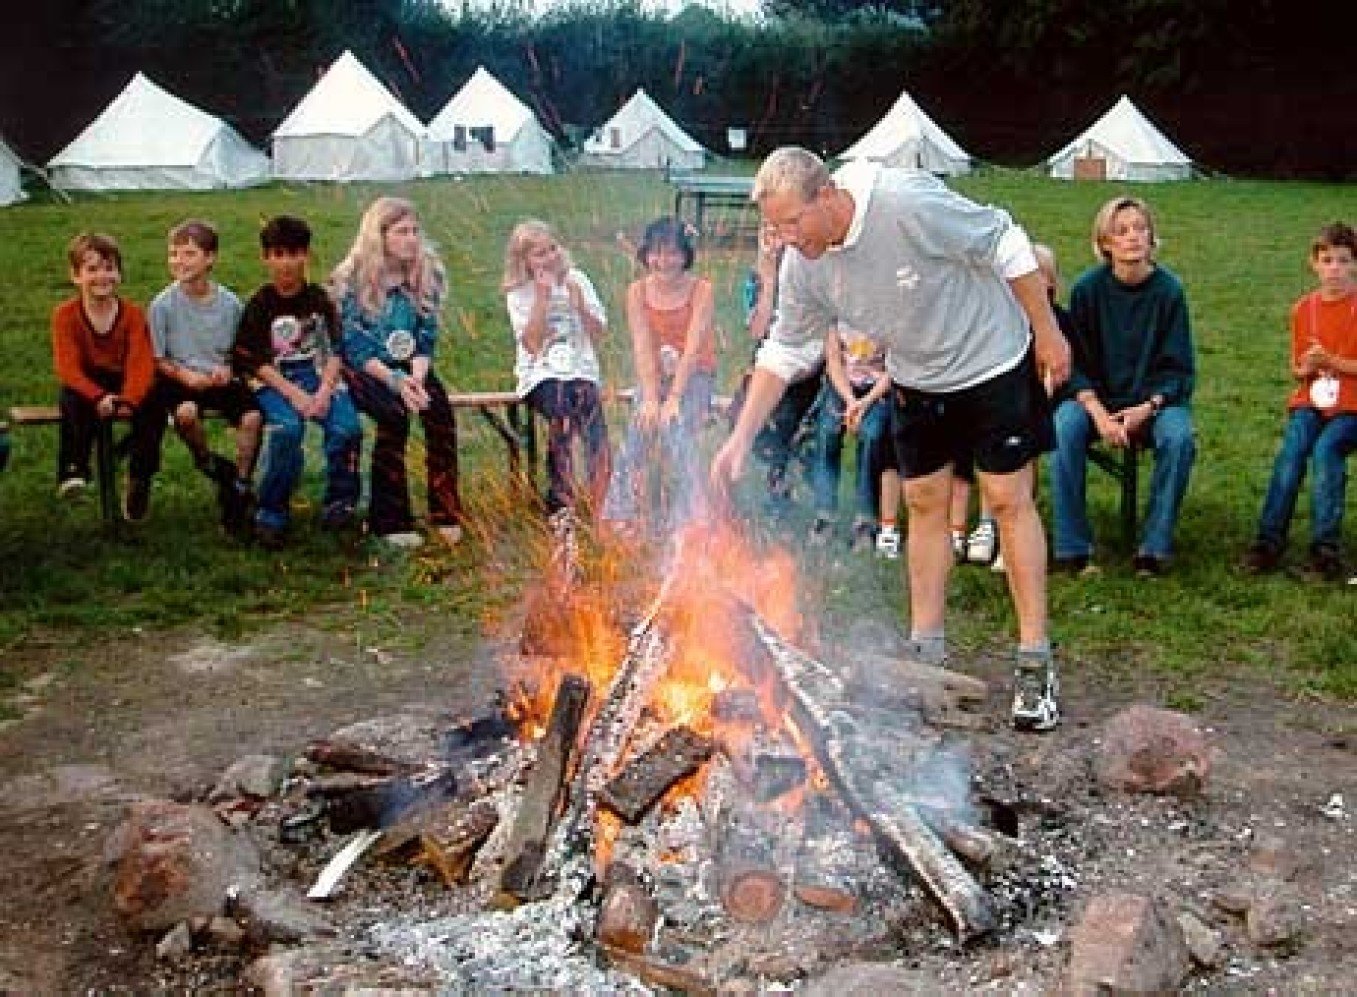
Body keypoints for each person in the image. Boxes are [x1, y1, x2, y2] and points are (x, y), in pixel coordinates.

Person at [711, 147, 1070, 732]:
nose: (785, 239)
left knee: (1007, 501)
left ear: (827, 196)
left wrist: (1047, 332)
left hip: (991, 359)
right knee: (923, 505)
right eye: (773, 228)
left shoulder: (904, 202)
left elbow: (1004, 240)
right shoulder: (806, 263)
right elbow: (786, 349)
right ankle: (925, 654)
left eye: (792, 223)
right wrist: (739, 438)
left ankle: (1036, 661)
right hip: (915, 376)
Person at [1049, 197, 1196, 577]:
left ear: (1152, 236)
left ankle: (1154, 548)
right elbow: (1075, 364)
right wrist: (1098, 414)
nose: (1133, 237)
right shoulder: (1087, 291)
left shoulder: (1169, 292)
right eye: (1122, 230)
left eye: (1140, 228)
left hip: (1152, 401)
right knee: (1063, 427)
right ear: (1106, 242)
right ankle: (1072, 547)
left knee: (1180, 437)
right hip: (1093, 398)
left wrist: (1147, 407)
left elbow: (1179, 369)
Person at [332, 196, 463, 550]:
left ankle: (445, 510)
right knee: (393, 415)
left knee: (439, 412)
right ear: (380, 236)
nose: (411, 239)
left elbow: (426, 337)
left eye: (415, 232)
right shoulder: (351, 278)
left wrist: (417, 378)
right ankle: (389, 518)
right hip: (363, 368)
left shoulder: (427, 272)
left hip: (410, 364)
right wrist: (394, 381)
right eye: (401, 232)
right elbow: (356, 348)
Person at [232, 215, 362, 549]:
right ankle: (271, 512)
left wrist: (323, 392)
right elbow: (254, 361)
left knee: (346, 428)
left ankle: (340, 502)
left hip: (319, 376)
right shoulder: (260, 305)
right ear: (266, 258)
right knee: (286, 430)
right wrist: (293, 395)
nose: (286, 263)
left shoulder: (320, 300)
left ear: (306, 255)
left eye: (294, 254)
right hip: (277, 381)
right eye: (277, 254)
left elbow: (336, 351)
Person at [1242, 221, 1357, 581]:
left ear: (1355, 264)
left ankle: (1325, 548)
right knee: (1291, 452)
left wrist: (1332, 362)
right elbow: (1297, 368)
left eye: (1343, 261)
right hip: (1311, 399)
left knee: (1326, 451)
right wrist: (1307, 367)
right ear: (1314, 264)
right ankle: (1268, 541)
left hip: (1351, 406)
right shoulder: (1303, 309)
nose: (1334, 270)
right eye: (1327, 261)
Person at [603, 216, 716, 532]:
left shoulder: (701, 290)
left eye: (671, 253)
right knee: (640, 426)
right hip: (653, 376)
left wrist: (675, 398)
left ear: (685, 256)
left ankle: (691, 517)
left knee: (676, 428)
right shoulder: (637, 292)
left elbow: (693, 348)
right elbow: (641, 345)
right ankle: (618, 511)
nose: (662, 261)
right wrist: (652, 399)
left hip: (695, 375)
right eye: (655, 253)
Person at [148, 219, 261, 535]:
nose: (178, 262)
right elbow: (158, 359)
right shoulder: (162, 306)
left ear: (210, 258)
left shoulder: (229, 304)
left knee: (252, 417)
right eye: (173, 254)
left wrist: (229, 368)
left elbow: (239, 353)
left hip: (217, 378)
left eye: (188, 254)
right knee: (185, 415)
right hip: (179, 378)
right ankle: (207, 461)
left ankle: (240, 484)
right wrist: (184, 375)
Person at [503, 219, 610, 520]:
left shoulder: (577, 279)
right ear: (523, 260)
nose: (549, 258)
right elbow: (533, 344)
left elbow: (599, 333)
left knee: (590, 412)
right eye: (539, 254)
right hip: (541, 374)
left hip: (581, 370)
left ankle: (604, 496)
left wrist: (580, 307)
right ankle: (560, 500)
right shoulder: (518, 292)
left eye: (552, 249)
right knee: (562, 412)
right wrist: (541, 298)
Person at [51, 232, 162, 521]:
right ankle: (74, 468)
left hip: (124, 380)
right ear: (76, 276)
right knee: (71, 398)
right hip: (87, 383)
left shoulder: (133, 315)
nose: (102, 276)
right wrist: (98, 396)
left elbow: (140, 363)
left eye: (109, 268)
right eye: (92, 269)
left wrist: (128, 399)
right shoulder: (65, 315)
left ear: (120, 274)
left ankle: (140, 476)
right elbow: (68, 368)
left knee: (155, 403)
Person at [738, 230, 824, 515]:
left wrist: (800, 368)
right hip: (767, 367)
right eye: (768, 233)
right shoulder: (756, 280)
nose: (775, 240)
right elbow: (758, 330)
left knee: (787, 417)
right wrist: (770, 276)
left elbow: (824, 337)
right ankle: (773, 483)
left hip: (808, 370)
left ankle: (785, 490)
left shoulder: (813, 272)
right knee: (745, 415)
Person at [807, 321, 892, 553]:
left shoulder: (891, 313)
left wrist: (865, 403)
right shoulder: (836, 314)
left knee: (872, 435)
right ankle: (825, 514)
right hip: (842, 385)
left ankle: (866, 520)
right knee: (827, 431)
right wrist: (850, 401)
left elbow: (894, 369)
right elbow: (834, 363)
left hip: (878, 390)